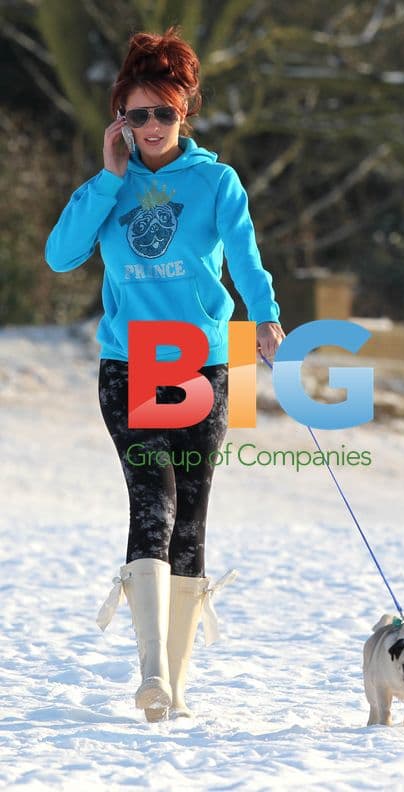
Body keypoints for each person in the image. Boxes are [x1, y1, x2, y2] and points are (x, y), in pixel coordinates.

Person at [44, 26, 285, 723]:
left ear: (185, 114)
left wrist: (264, 316)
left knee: (191, 519)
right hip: (131, 364)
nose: (151, 127)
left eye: (165, 113)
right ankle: (150, 676)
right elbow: (61, 256)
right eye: (138, 114)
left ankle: (174, 688)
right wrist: (108, 177)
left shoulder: (215, 181)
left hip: (203, 363)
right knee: (153, 500)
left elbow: (245, 256)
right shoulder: (108, 187)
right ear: (121, 117)